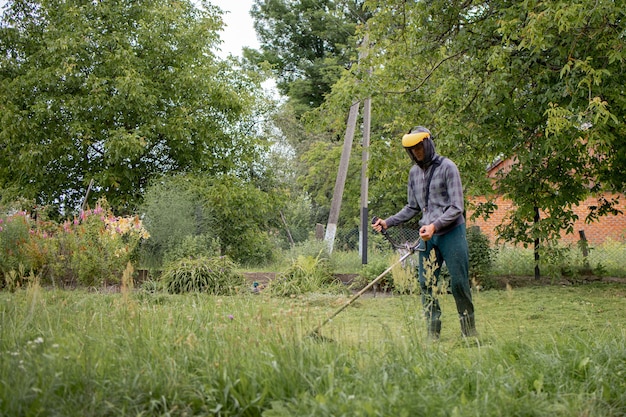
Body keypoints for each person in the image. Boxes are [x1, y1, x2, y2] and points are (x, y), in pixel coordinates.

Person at [372, 126, 477, 339]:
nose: (416, 152)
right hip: (426, 237)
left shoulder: (448, 167)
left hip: (451, 232)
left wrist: (435, 226)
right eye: (412, 149)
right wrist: (388, 222)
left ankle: (469, 331)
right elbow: (412, 207)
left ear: (428, 143)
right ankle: (433, 333)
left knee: (458, 282)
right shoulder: (413, 173)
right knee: (426, 284)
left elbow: (457, 207)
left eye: (419, 146)